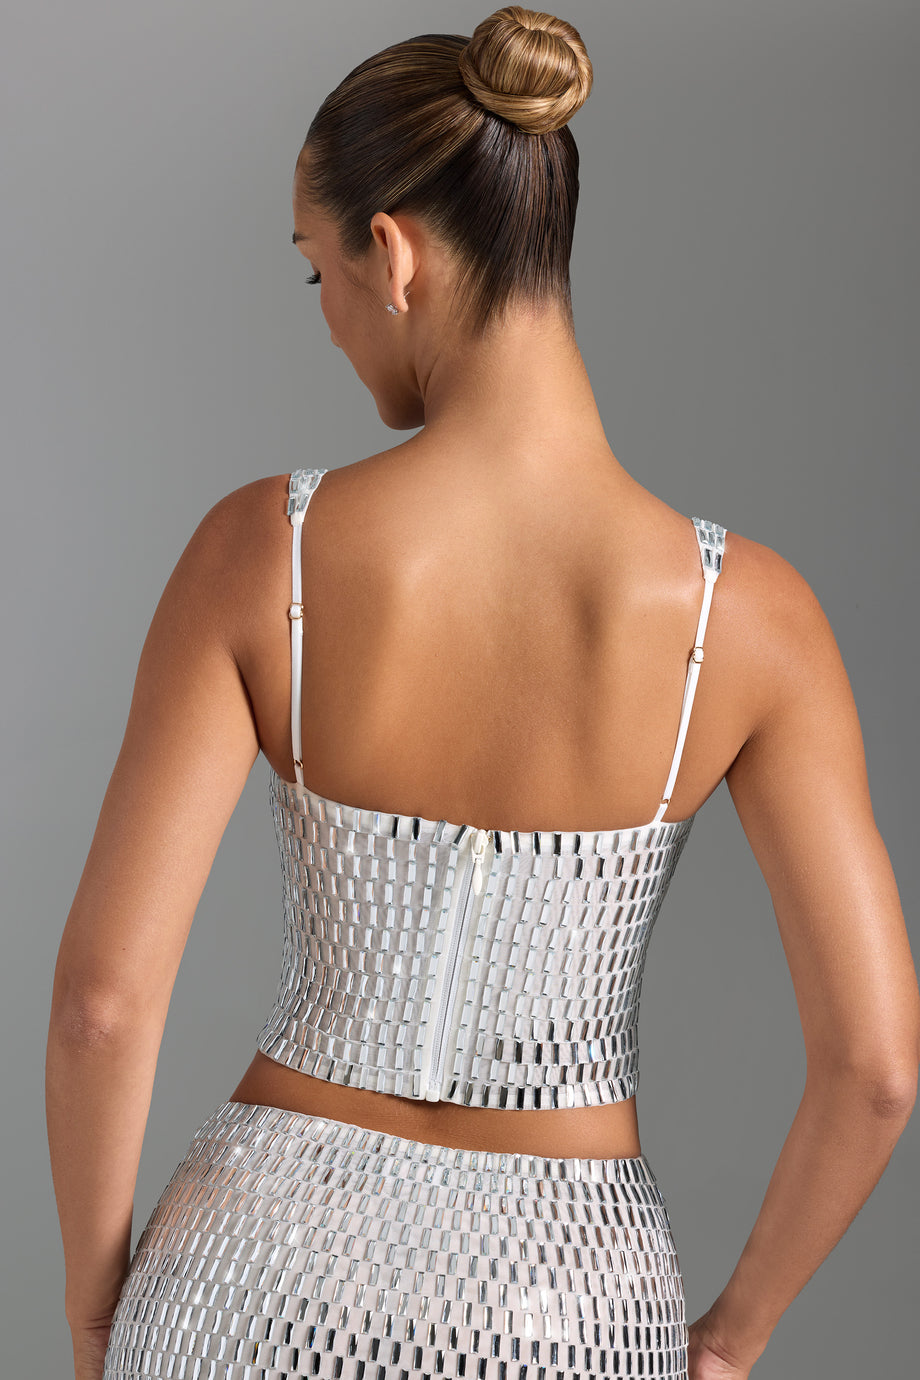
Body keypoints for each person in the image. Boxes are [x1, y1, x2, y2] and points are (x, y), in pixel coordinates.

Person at [46, 8, 919, 1380]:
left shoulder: (262, 552)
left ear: (392, 254)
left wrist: (99, 1310)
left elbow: (103, 1002)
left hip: (251, 1279)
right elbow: (875, 1069)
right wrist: (733, 1339)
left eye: (316, 269)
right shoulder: (755, 620)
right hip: (567, 1308)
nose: (326, 317)